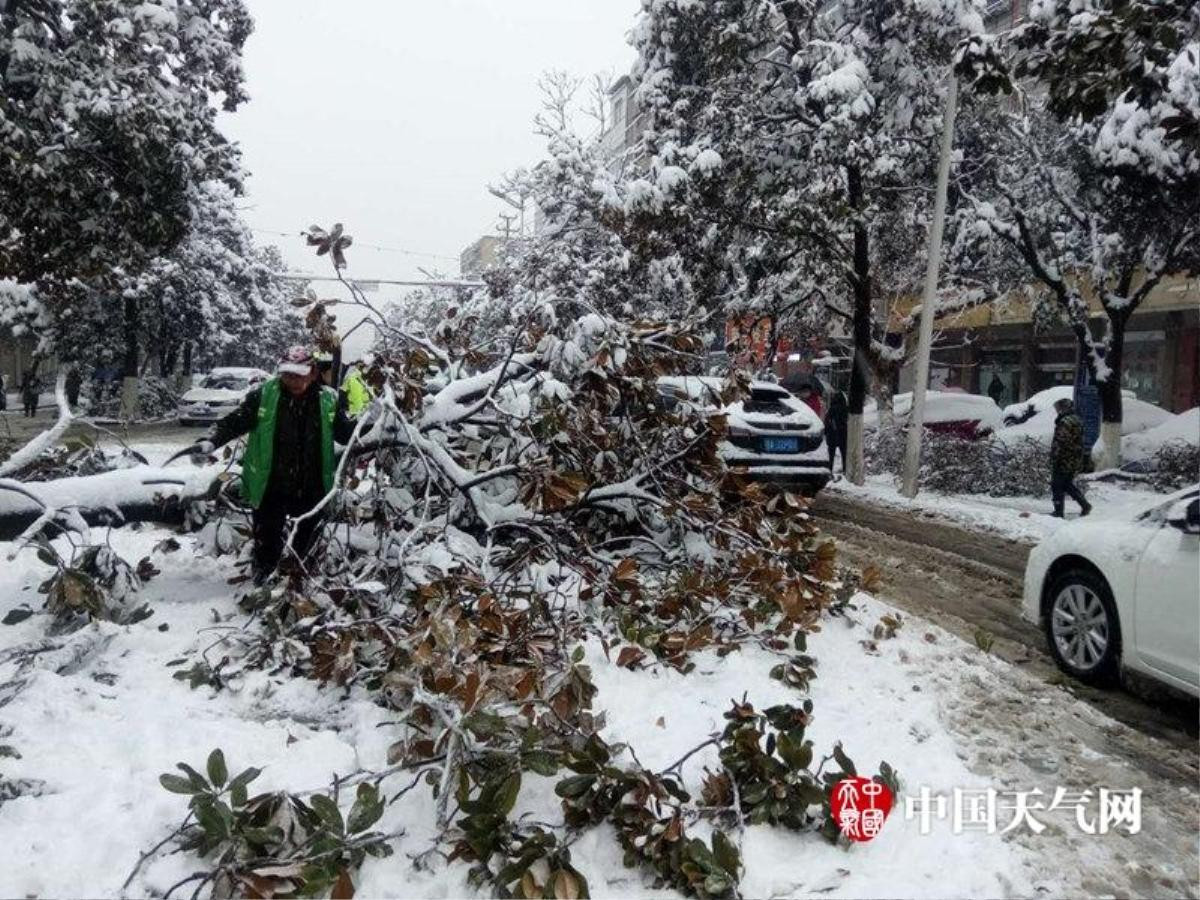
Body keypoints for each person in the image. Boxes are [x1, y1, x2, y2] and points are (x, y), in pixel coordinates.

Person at [203, 346, 356, 583]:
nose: (292, 380)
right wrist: (210, 440)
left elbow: (346, 434)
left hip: (311, 487)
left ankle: (296, 582)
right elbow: (235, 421)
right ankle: (263, 580)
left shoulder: (328, 400)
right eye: (287, 374)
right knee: (267, 542)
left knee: (305, 545)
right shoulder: (264, 395)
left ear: (313, 373)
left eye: (298, 374)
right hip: (270, 486)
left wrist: (377, 429)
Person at [1050, 397, 1092, 518]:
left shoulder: (1065, 422)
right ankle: (1084, 505)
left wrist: (1055, 457)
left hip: (1064, 458)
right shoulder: (1076, 420)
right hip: (1074, 458)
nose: (1057, 411)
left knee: (1057, 484)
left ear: (1063, 408)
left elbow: (1060, 441)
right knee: (1067, 484)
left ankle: (1058, 512)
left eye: (1058, 408)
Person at [825, 388, 849, 473]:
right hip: (843, 434)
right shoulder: (846, 409)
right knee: (844, 454)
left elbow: (826, 422)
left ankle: (830, 469)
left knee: (831, 455)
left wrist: (825, 433)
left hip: (832, 436)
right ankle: (845, 469)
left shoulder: (831, 409)